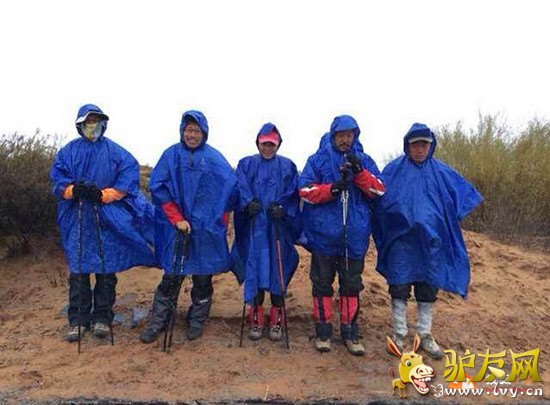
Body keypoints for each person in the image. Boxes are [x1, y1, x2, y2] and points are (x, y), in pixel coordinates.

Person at [372, 123, 483, 359]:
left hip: (432, 242)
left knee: (428, 286)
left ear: (430, 146)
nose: (420, 149)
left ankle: (425, 334)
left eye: (424, 144)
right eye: (416, 145)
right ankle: (399, 333)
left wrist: (444, 220)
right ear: (407, 146)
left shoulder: (442, 172)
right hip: (402, 241)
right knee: (399, 286)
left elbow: (464, 197)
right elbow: (378, 201)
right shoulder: (393, 171)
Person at [50, 103, 156, 342]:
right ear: (80, 124)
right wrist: (73, 189)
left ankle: (102, 317)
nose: (93, 126)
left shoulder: (116, 152)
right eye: (88, 122)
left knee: (106, 268)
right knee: (79, 270)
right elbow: (57, 181)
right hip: (77, 217)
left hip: (107, 217)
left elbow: (128, 177)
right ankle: (77, 320)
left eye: (96, 121)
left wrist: (104, 194)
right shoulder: (68, 152)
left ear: (103, 124)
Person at [139, 110, 238, 343]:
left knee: (202, 278)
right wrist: (177, 219)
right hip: (177, 228)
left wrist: (219, 220)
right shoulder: (171, 155)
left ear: (204, 133)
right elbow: (158, 188)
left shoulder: (214, 158)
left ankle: (197, 320)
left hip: (205, 230)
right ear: (182, 131)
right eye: (188, 130)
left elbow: (229, 191)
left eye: (196, 131)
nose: (192, 135)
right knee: (172, 276)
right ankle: (159, 320)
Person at [299, 115, 386, 355]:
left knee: (351, 285)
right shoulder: (317, 160)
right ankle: (323, 331)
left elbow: (379, 190)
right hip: (324, 236)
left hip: (354, 237)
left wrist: (360, 173)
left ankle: (350, 332)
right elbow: (304, 190)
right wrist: (331, 190)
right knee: (321, 283)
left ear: (355, 136)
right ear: (333, 136)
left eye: (349, 135)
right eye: (341, 135)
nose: (345, 139)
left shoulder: (364, 160)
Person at [233, 123, 302, 341]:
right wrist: (247, 205)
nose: (268, 148)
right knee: (255, 269)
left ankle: (276, 319)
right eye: (264, 144)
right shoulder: (246, 164)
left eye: (272, 144)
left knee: (277, 272)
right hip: (255, 229)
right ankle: (256, 318)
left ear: (278, 144)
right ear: (258, 143)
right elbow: (239, 188)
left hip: (277, 229)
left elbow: (293, 194)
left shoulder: (288, 166)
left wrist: (283, 209)